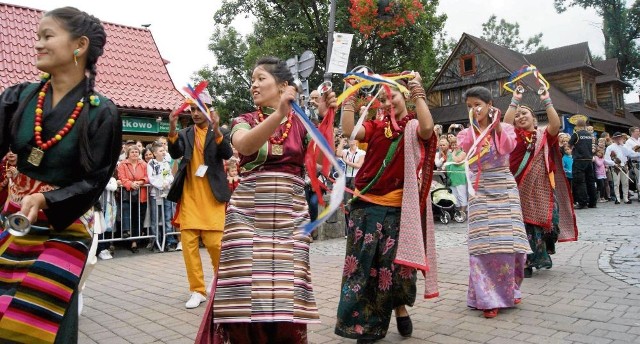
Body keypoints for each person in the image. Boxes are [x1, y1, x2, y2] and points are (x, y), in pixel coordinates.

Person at [0, 7, 120, 343]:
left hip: (64, 226)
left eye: (47, 36)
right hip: (14, 219)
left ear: (79, 45)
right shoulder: (18, 98)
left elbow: (94, 180)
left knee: (37, 319)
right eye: (38, 36)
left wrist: (46, 198)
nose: (37, 44)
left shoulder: (101, 112)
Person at [197, 56, 337, 343]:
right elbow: (245, 145)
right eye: (252, 80)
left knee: (288, 291)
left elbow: (321, 161)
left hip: (290, 216)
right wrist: (279, 114)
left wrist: (325, 121)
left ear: (283, 85)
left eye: (261, 78)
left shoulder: (302, 124)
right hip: (246, 217)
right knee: (244, 292)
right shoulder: (243, 121)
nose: (253, 85)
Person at [336, 72, 438, 343]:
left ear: (404, 96)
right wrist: (350, 96)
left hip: (397, 209)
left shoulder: (413, 125)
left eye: (391, 94)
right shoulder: (375, 126)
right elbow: (349, 131)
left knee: (394, 268)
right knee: (363, 268)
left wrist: (418, 90)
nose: (386, 99)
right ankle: (366, 326)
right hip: (366, 205)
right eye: (381, 97)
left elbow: (428, 128)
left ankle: (400, 308)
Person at [456, 86, 529, 319]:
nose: (474, 109)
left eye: (478, 104)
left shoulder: (506, 127)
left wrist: (496, 125)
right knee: (482, 245)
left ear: (489, 105)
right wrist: (478, 131)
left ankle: (511, 288)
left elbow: (507, 147)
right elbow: (465, 152)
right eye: (469, 106)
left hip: (504, 188)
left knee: (512, 242)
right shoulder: (467, 134)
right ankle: (487, 298)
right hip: (479, 189)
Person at [504, 89, 577, 279]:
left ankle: (537, 255)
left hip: (542, 187)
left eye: (524, 113)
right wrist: (515, 100)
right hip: (517, 185)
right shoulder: (512, 135)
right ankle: (525, 262)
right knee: (522, 224)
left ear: (534, 119)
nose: (520, 117)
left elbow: (555, 124)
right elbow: (505, 123)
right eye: (517, 115)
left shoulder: (543, 135)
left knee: (545, 222)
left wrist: (546, 100)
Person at [166, 99, 232, 309]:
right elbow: (175, 153)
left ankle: (220, 282)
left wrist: (216, 130)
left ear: (208, 111)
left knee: (215, 245)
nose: (195, 113)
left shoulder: (219, 131)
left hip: (213, 198)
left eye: (198, 109)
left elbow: (227, 154)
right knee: (189, 247)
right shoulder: (185, 133)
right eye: (192, 109)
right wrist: (172, 127)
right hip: (189, 197)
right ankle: (197, 290)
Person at [117, 145, 148, 253]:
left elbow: (148, 177)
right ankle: (127, 234)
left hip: (141, 195)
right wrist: (131, 184)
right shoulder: (122, 164)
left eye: (136, 152)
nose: (134, 153)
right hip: (127, 194)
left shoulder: (143, 164)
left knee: (138, 218)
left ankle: (134, 242)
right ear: (128, 154)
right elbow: (121, 178)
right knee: (128, 215)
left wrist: (140, 182)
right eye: (132, 152)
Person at [147, 143, 178, 251]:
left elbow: (170, 175)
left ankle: (169, 241)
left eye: (164, 150)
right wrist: (160, 184)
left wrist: (167, 182)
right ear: (155, 153)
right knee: (156, 218)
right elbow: (151, 178)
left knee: (168, 217)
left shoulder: (166, 162)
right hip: (156, 194)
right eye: (160, 151)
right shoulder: (151, 163)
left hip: (167, 193)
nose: (163, 152)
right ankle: (157, 241)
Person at [604, 132, 640, 204]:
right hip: (616, 166)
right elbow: (606, 159)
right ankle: (617, 198)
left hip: (624, 165)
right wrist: (613, 164)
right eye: (617, 138)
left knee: (625, 183)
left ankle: (626, 198)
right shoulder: (610, 147)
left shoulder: (624, 146)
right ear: (614, 139)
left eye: (620, 138)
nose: (618, 139)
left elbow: (630, 154)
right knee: (616, 183)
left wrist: (623, 145)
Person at [568, 119, 597, 209]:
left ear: (577, 126)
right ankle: (593, 202)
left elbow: (569, 144)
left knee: (580, 182)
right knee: (590, 181)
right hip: (589, 160)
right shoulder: (589, 135)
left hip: (579, 160)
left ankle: (582, 202)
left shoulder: (576, 134)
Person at [342, 139, 366, 237]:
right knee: (347, 203)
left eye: (353, 139)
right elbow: (337, 152)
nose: (351, 141)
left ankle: (358, 228)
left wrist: (346, 161)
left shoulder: (361, 152)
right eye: (349, 139)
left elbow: (359, 165)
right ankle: (348, 230)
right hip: (346, 177)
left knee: (356, 202)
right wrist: (341, 142)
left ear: (356, 141)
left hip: (356, 178)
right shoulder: (345, 151)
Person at [446, 137, 468, 216]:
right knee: (455, 196)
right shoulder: (449, 154)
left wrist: (453, 154)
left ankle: (463, 212)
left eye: (456, 144)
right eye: (453, 144)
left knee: (461, 195)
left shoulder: (462, 153)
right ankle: (457, 212)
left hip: (460, 177)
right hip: (452, 178)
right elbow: (447, 164)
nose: (454, 146)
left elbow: (457, 161)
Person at [624, 127, 640, 201]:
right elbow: (629, 154)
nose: (639, 132)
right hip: (636, 162)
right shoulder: (628, 142)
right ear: (632, 132)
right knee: (639, 178)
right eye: (637, 131)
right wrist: (638, 154)